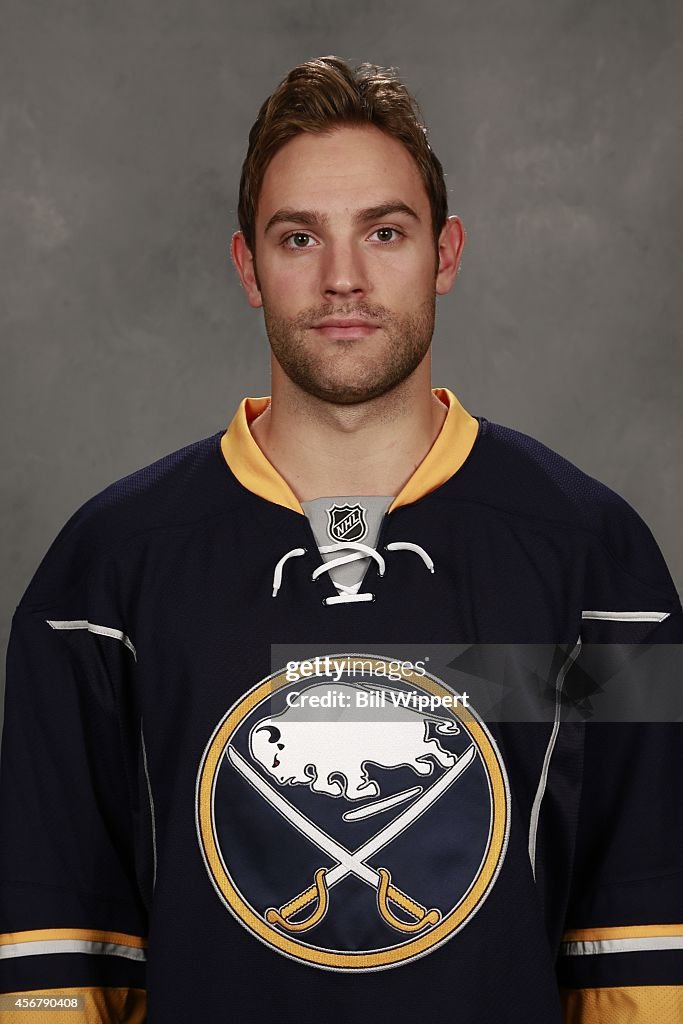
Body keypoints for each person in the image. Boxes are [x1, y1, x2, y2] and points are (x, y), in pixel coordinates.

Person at [1, 54, 681, 1024]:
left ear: (443, 253)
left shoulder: (600, 566)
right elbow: (53, 949)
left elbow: (644, 936)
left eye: (384, 231)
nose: (342, 278)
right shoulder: (100, 580)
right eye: (297, 238)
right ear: (247, 266)